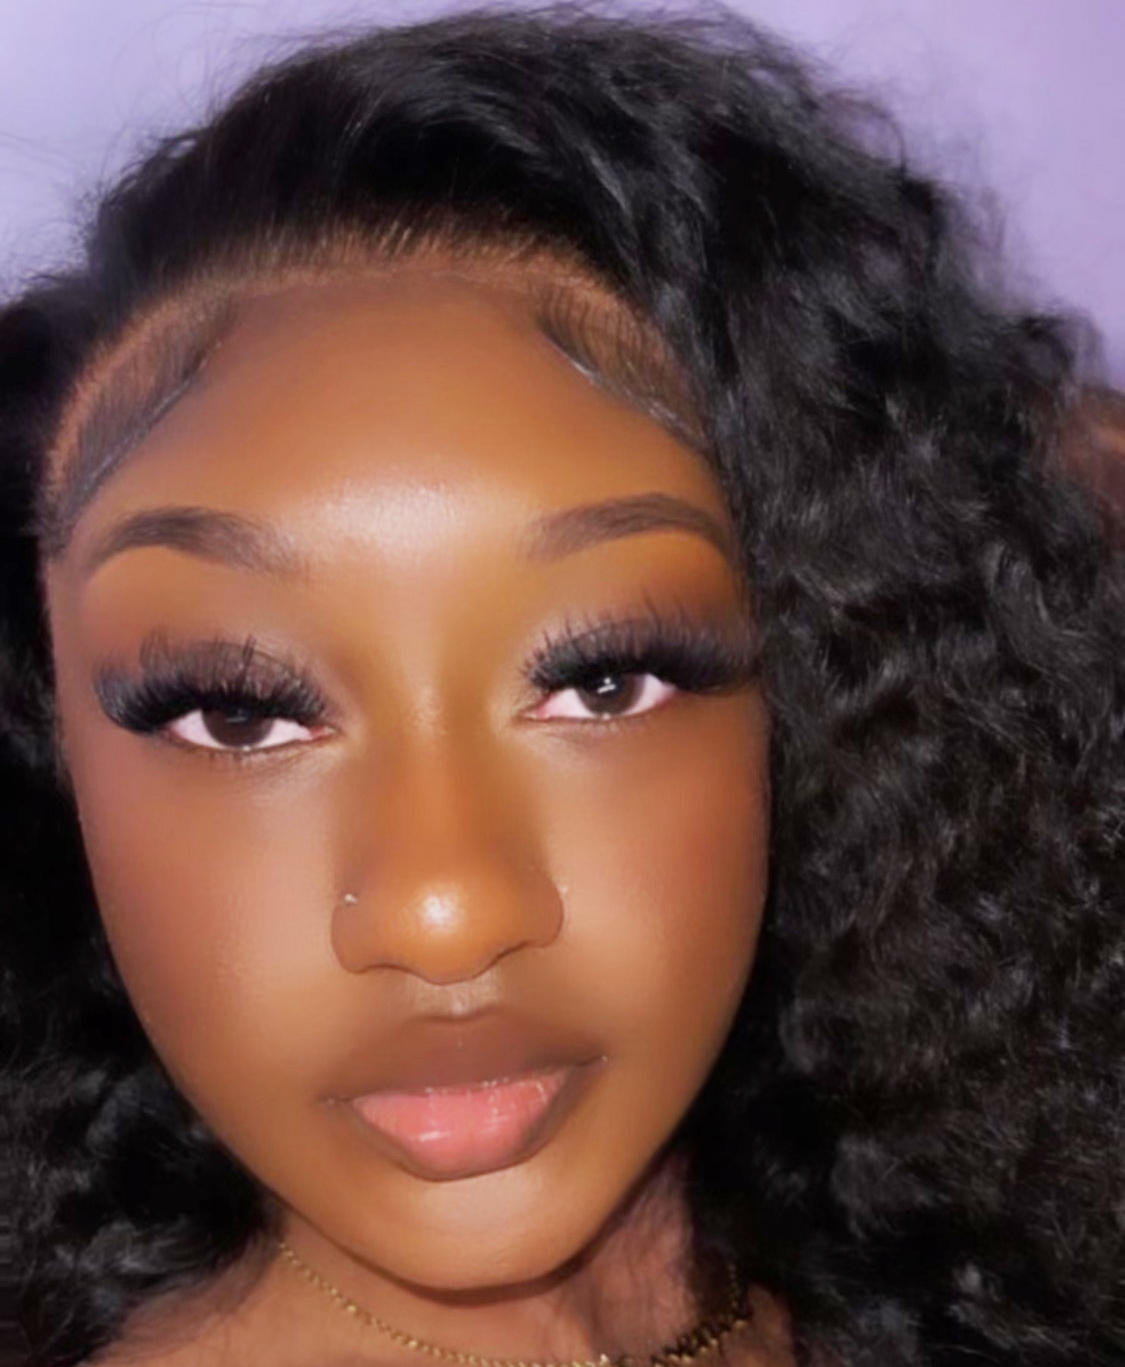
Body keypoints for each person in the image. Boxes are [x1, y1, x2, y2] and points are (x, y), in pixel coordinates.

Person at [2, 7, 1124, 1365]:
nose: (444, 913)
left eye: (605, 678)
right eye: (237, 710)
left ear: (823, 706)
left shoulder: (966, 1286)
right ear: (50, 751)